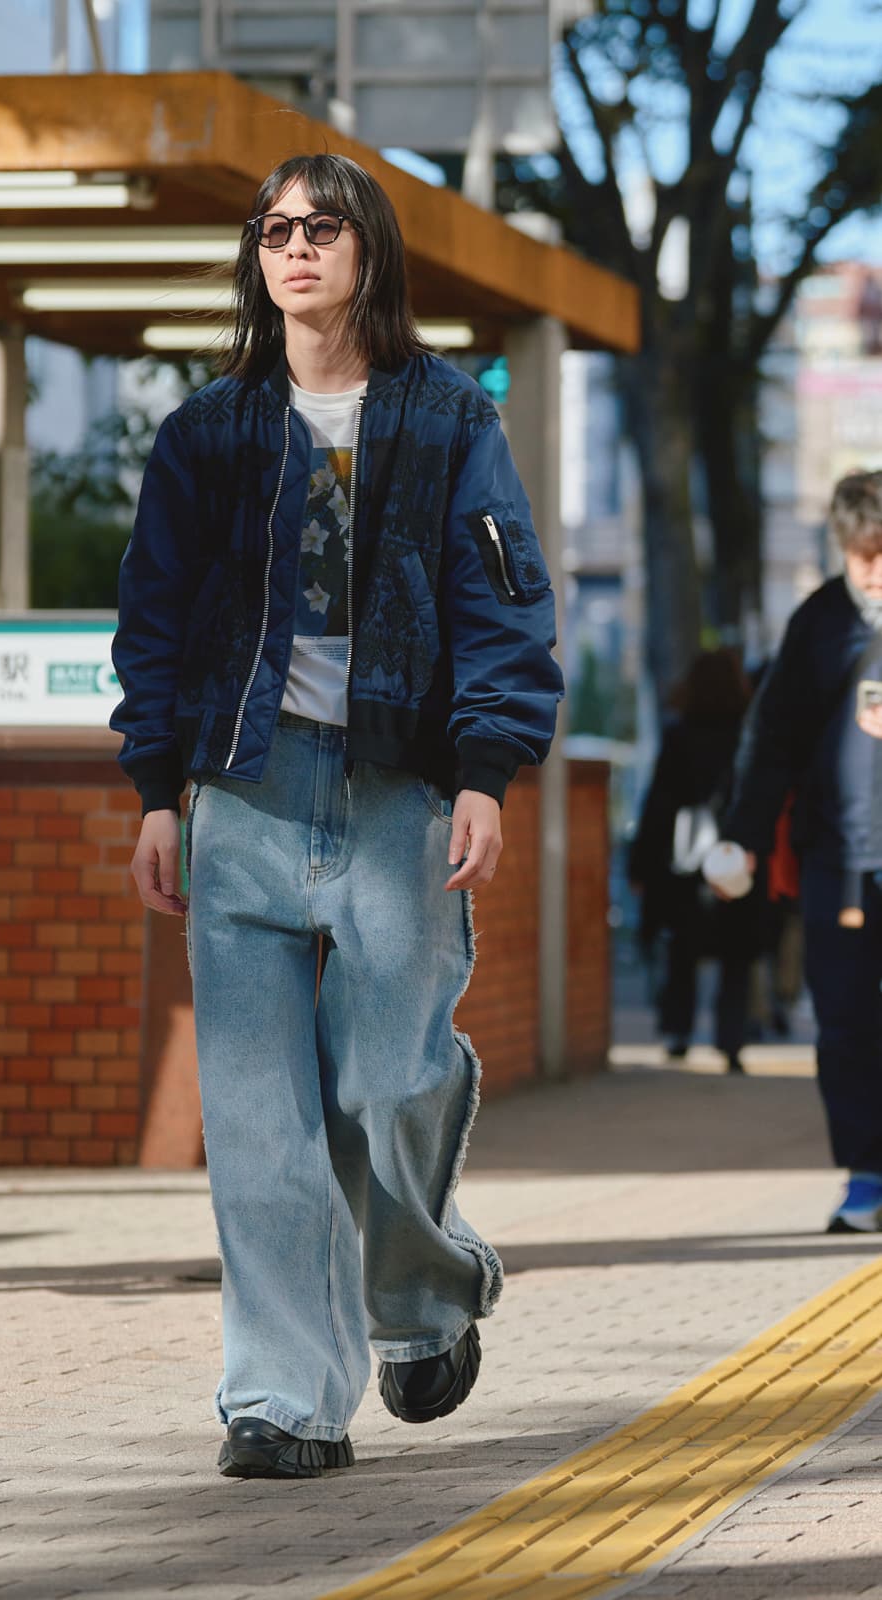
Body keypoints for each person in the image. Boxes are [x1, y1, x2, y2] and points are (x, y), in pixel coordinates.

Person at [110, 154, 563, 1479]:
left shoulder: (445, 417)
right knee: (257, 1117)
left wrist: (483, 768)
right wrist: (152, 788)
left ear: (370, 250)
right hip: (243, 793)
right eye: (274, 230)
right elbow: (150, 618)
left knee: (382, 1080)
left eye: (320, 227)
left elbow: (503, 606)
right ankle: (282, 1398)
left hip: (394, 794)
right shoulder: (208, 431)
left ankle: (425, 1290)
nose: (294, 247)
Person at [721, 470, 882, 1232]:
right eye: (862, 556)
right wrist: (742, 838)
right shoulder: (819, 623)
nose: (875, 571)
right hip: (838, 861)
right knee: (845, 1024)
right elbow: (771, 741)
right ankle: (865, 1174)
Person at [628, 649, 761, 1073]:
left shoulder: (680, 733)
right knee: (736, 953)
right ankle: (732, 1042)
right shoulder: (749, 733)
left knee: (682, 951)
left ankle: (678, 1034)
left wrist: (641, 865)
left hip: (684, 858)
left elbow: (658, 803)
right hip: (737, 854)